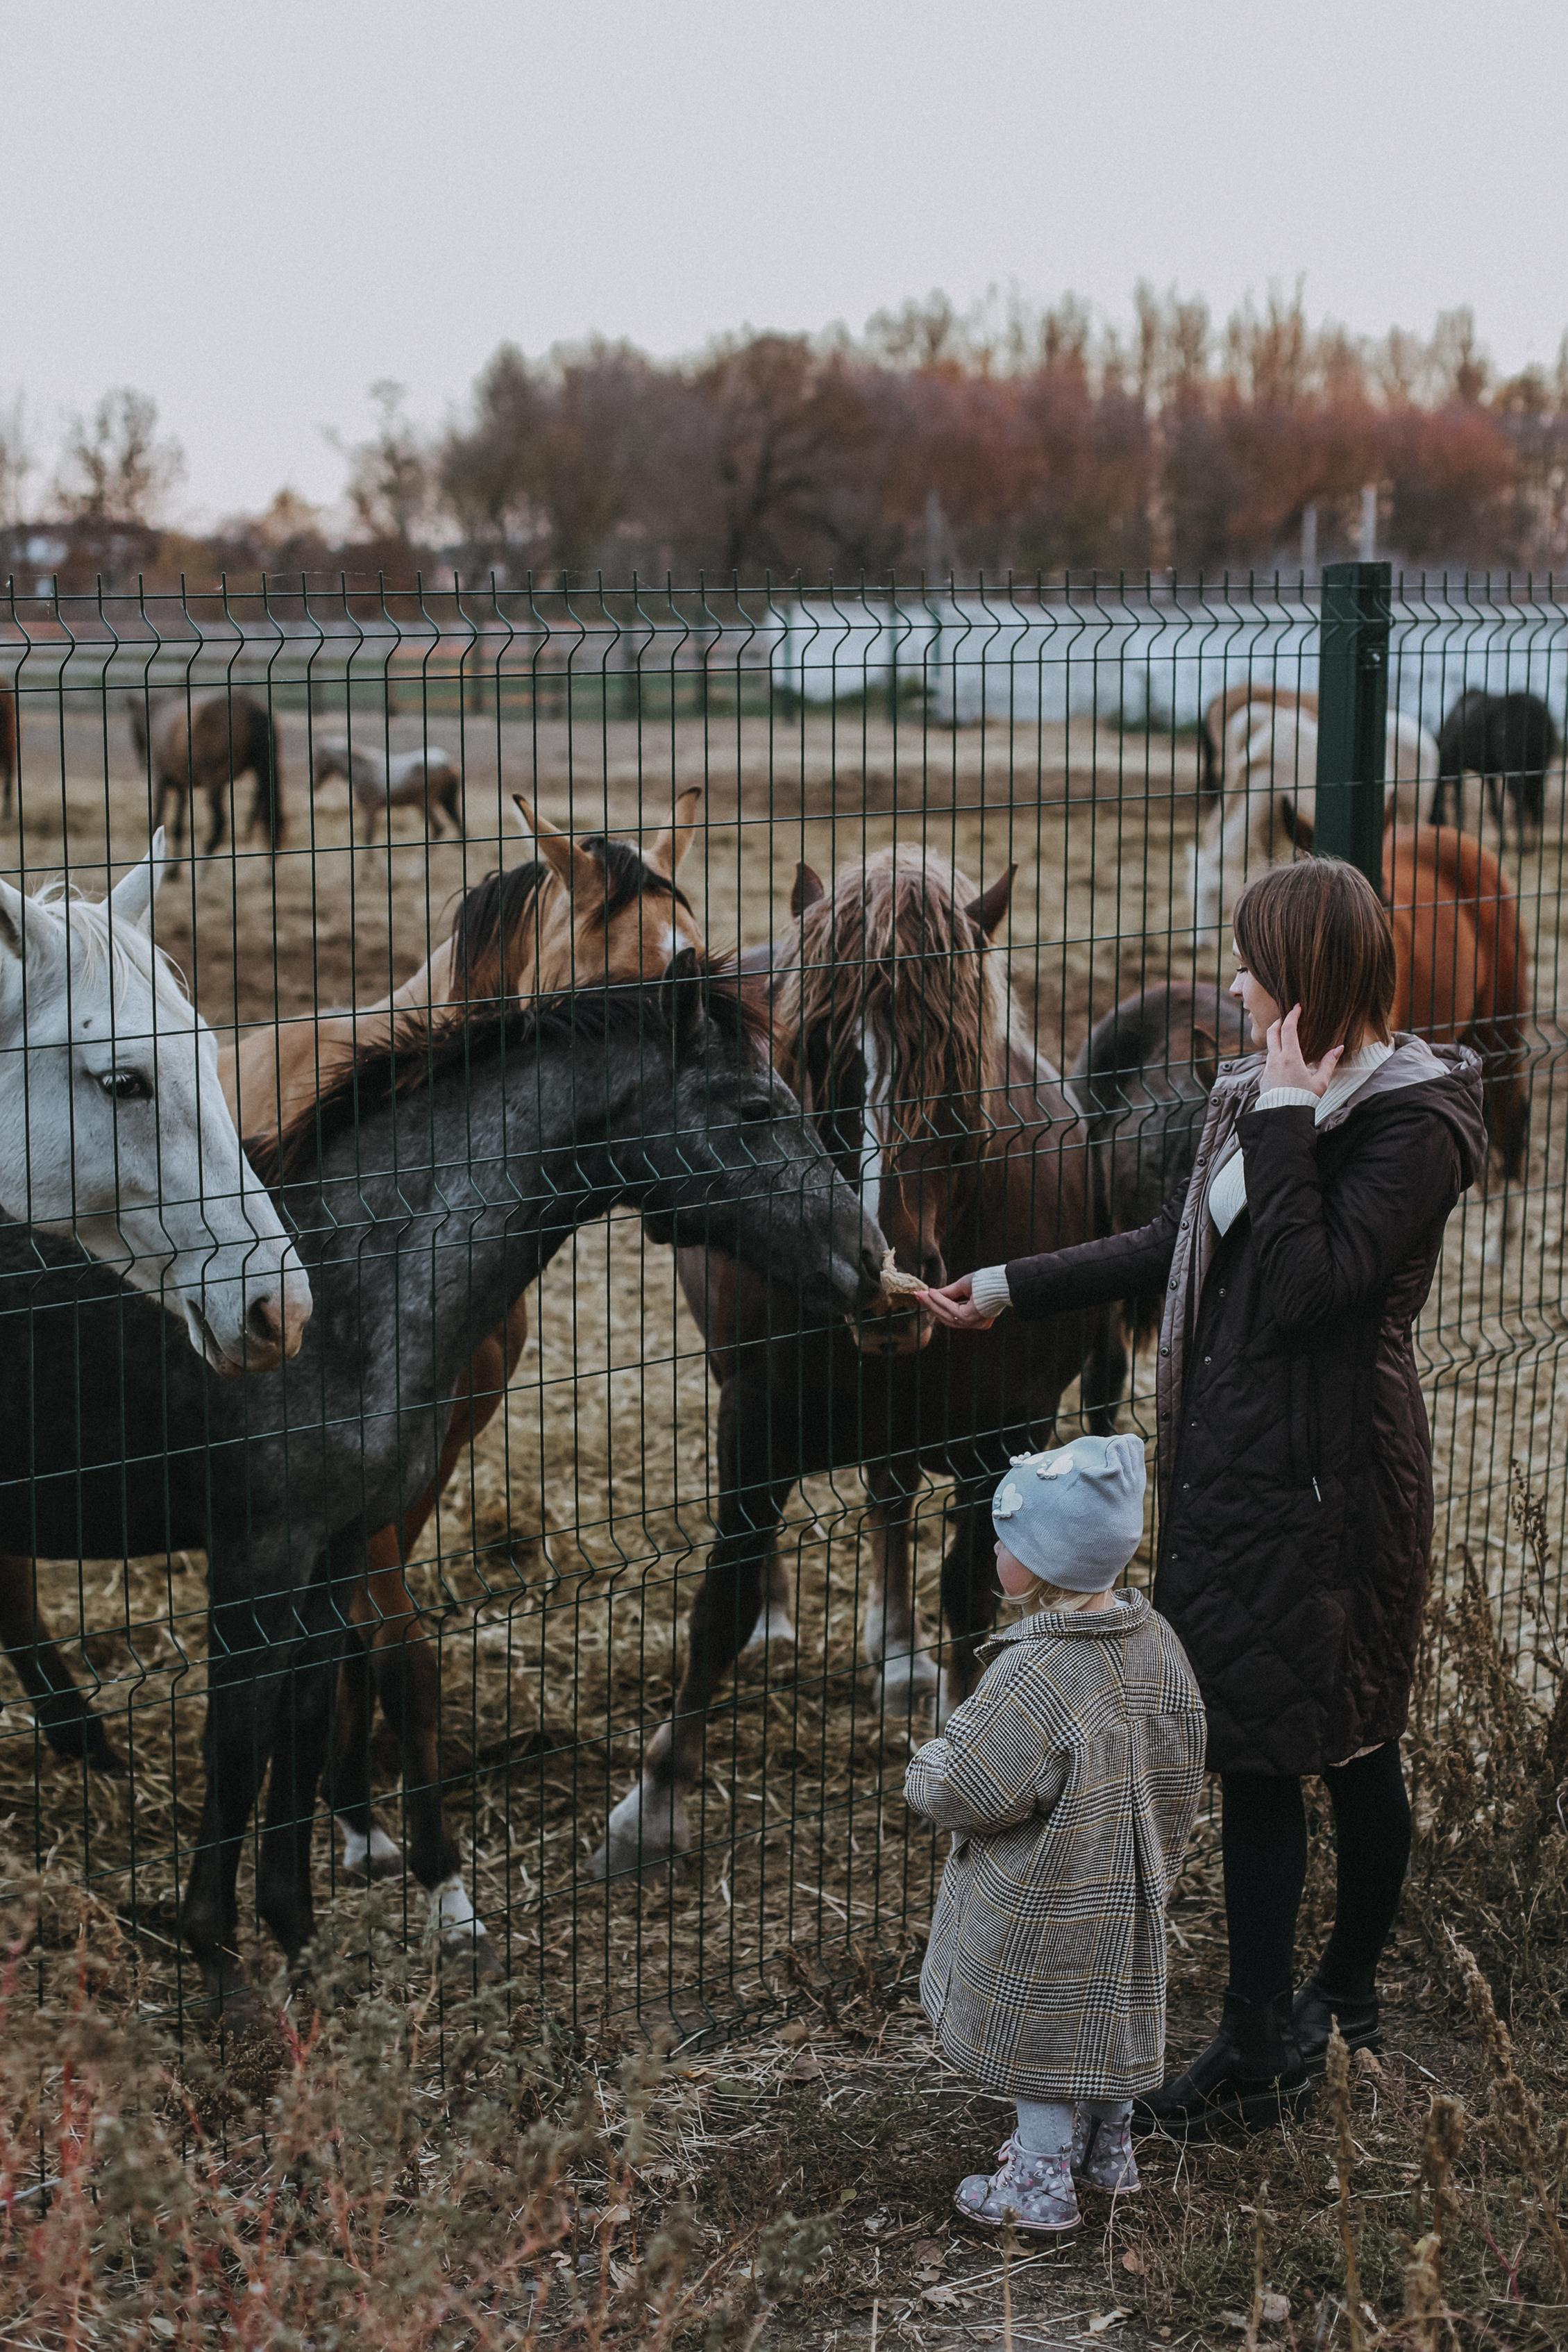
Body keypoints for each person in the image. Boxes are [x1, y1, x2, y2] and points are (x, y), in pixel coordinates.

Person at [919, 857, 1487, 2134]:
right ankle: (1284, 2020)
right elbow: (1175, 1244)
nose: (1230, 984)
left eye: (1252, 964)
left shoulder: (1413, 1123)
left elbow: (1303, 1285)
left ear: (1306, 981)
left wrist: (1287, 1114)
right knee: (1274, 1748)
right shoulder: (1254, 1094)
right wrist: (1005, 1282)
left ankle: (1306, 2016)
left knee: (1324, 1749)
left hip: (1328, 1490)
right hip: (1237, 1484)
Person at [906, 1432, 1206, 2231]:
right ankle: (1108, 2148)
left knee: (1042, 2030)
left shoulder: (1036, 1674)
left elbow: (974, 1785)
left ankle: (1039, 2183)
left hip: (1048, 1893)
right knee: (1106, 2006)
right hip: (1129, 1874)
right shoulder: (1157, 1642)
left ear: (1036, 1565)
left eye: (1005, 1536)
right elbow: (1185, 1746)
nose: (992, 1544)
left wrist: (927, 1769)